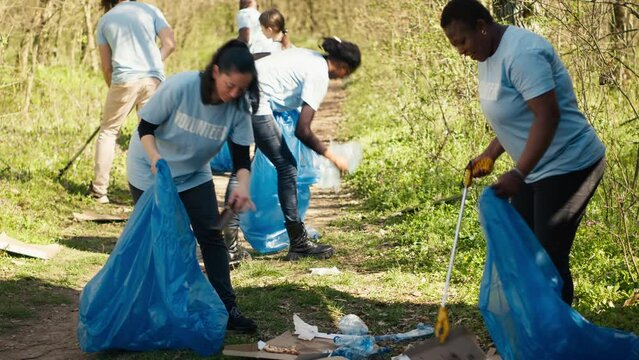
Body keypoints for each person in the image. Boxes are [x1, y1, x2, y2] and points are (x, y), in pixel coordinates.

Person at [440, 0, 606, 305]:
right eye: (454, 45)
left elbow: (547, 116)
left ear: (482, 26)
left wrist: (518, 173)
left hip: (570, 164)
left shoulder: (522, 55)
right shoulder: (485, 54)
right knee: (522, 247)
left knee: (547, 255)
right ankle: (533, 325)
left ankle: (556, 338)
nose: (460, 50)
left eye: (461, 41)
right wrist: (491, 153)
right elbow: (516, 113)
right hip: (535, 166)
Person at [126, 40, 259, 332]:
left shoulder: (238, 109)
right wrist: (157, 160)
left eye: (241, 88)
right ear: (215, 72)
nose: (234, 93)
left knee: (211, 236)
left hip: (193, 173)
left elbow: (241, 160)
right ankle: (156, 309)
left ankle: (227, 307)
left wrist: (243, 186)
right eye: (230, 84)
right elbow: (145, 128)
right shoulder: (180, 87)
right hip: (151, 169)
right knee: (163, 240)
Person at [224, 37, 362, 262]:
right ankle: (298, 243)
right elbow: (303, 130)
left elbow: (262, 59)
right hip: (254, 101)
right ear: (344, 68)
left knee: (240, 168)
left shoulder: (307, 55)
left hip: (232, 93)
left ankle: (229, 249)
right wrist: (332, 157)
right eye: (345, 75)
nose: (341, 79)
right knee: (287, 167)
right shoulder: (319, 73)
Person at [89, 0, 176, 204]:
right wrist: (154, 62)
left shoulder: (105, 20)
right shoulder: (151, 10)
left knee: (109, 131)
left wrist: (114, 89)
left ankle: (100, 191)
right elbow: (170, 44)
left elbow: (106, 68)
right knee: (151, 131)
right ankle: (155, 187)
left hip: (124, 79)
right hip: (153, 79)